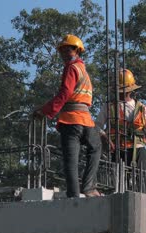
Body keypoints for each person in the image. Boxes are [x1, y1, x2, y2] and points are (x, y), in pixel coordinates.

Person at [34, 34, 101, 198]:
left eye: (68, 49)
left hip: (72, 120)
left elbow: (65, 93)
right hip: (85, 120)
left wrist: (44, 111)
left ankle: (74, 194)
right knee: (95, 147)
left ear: (77, 50)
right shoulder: (83, 70)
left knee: (71, 159)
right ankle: (89, 187)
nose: (64, 53)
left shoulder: (72, 68)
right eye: (62, 50)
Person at [96, 69, 146, 170]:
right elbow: (96, 126)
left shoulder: (141, 107)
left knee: (140, 181)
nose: (123, 94)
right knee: (120, 181)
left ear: (131, 90)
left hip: (138, 150)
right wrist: (104, 136)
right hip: (118, 149)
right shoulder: (109, 107)